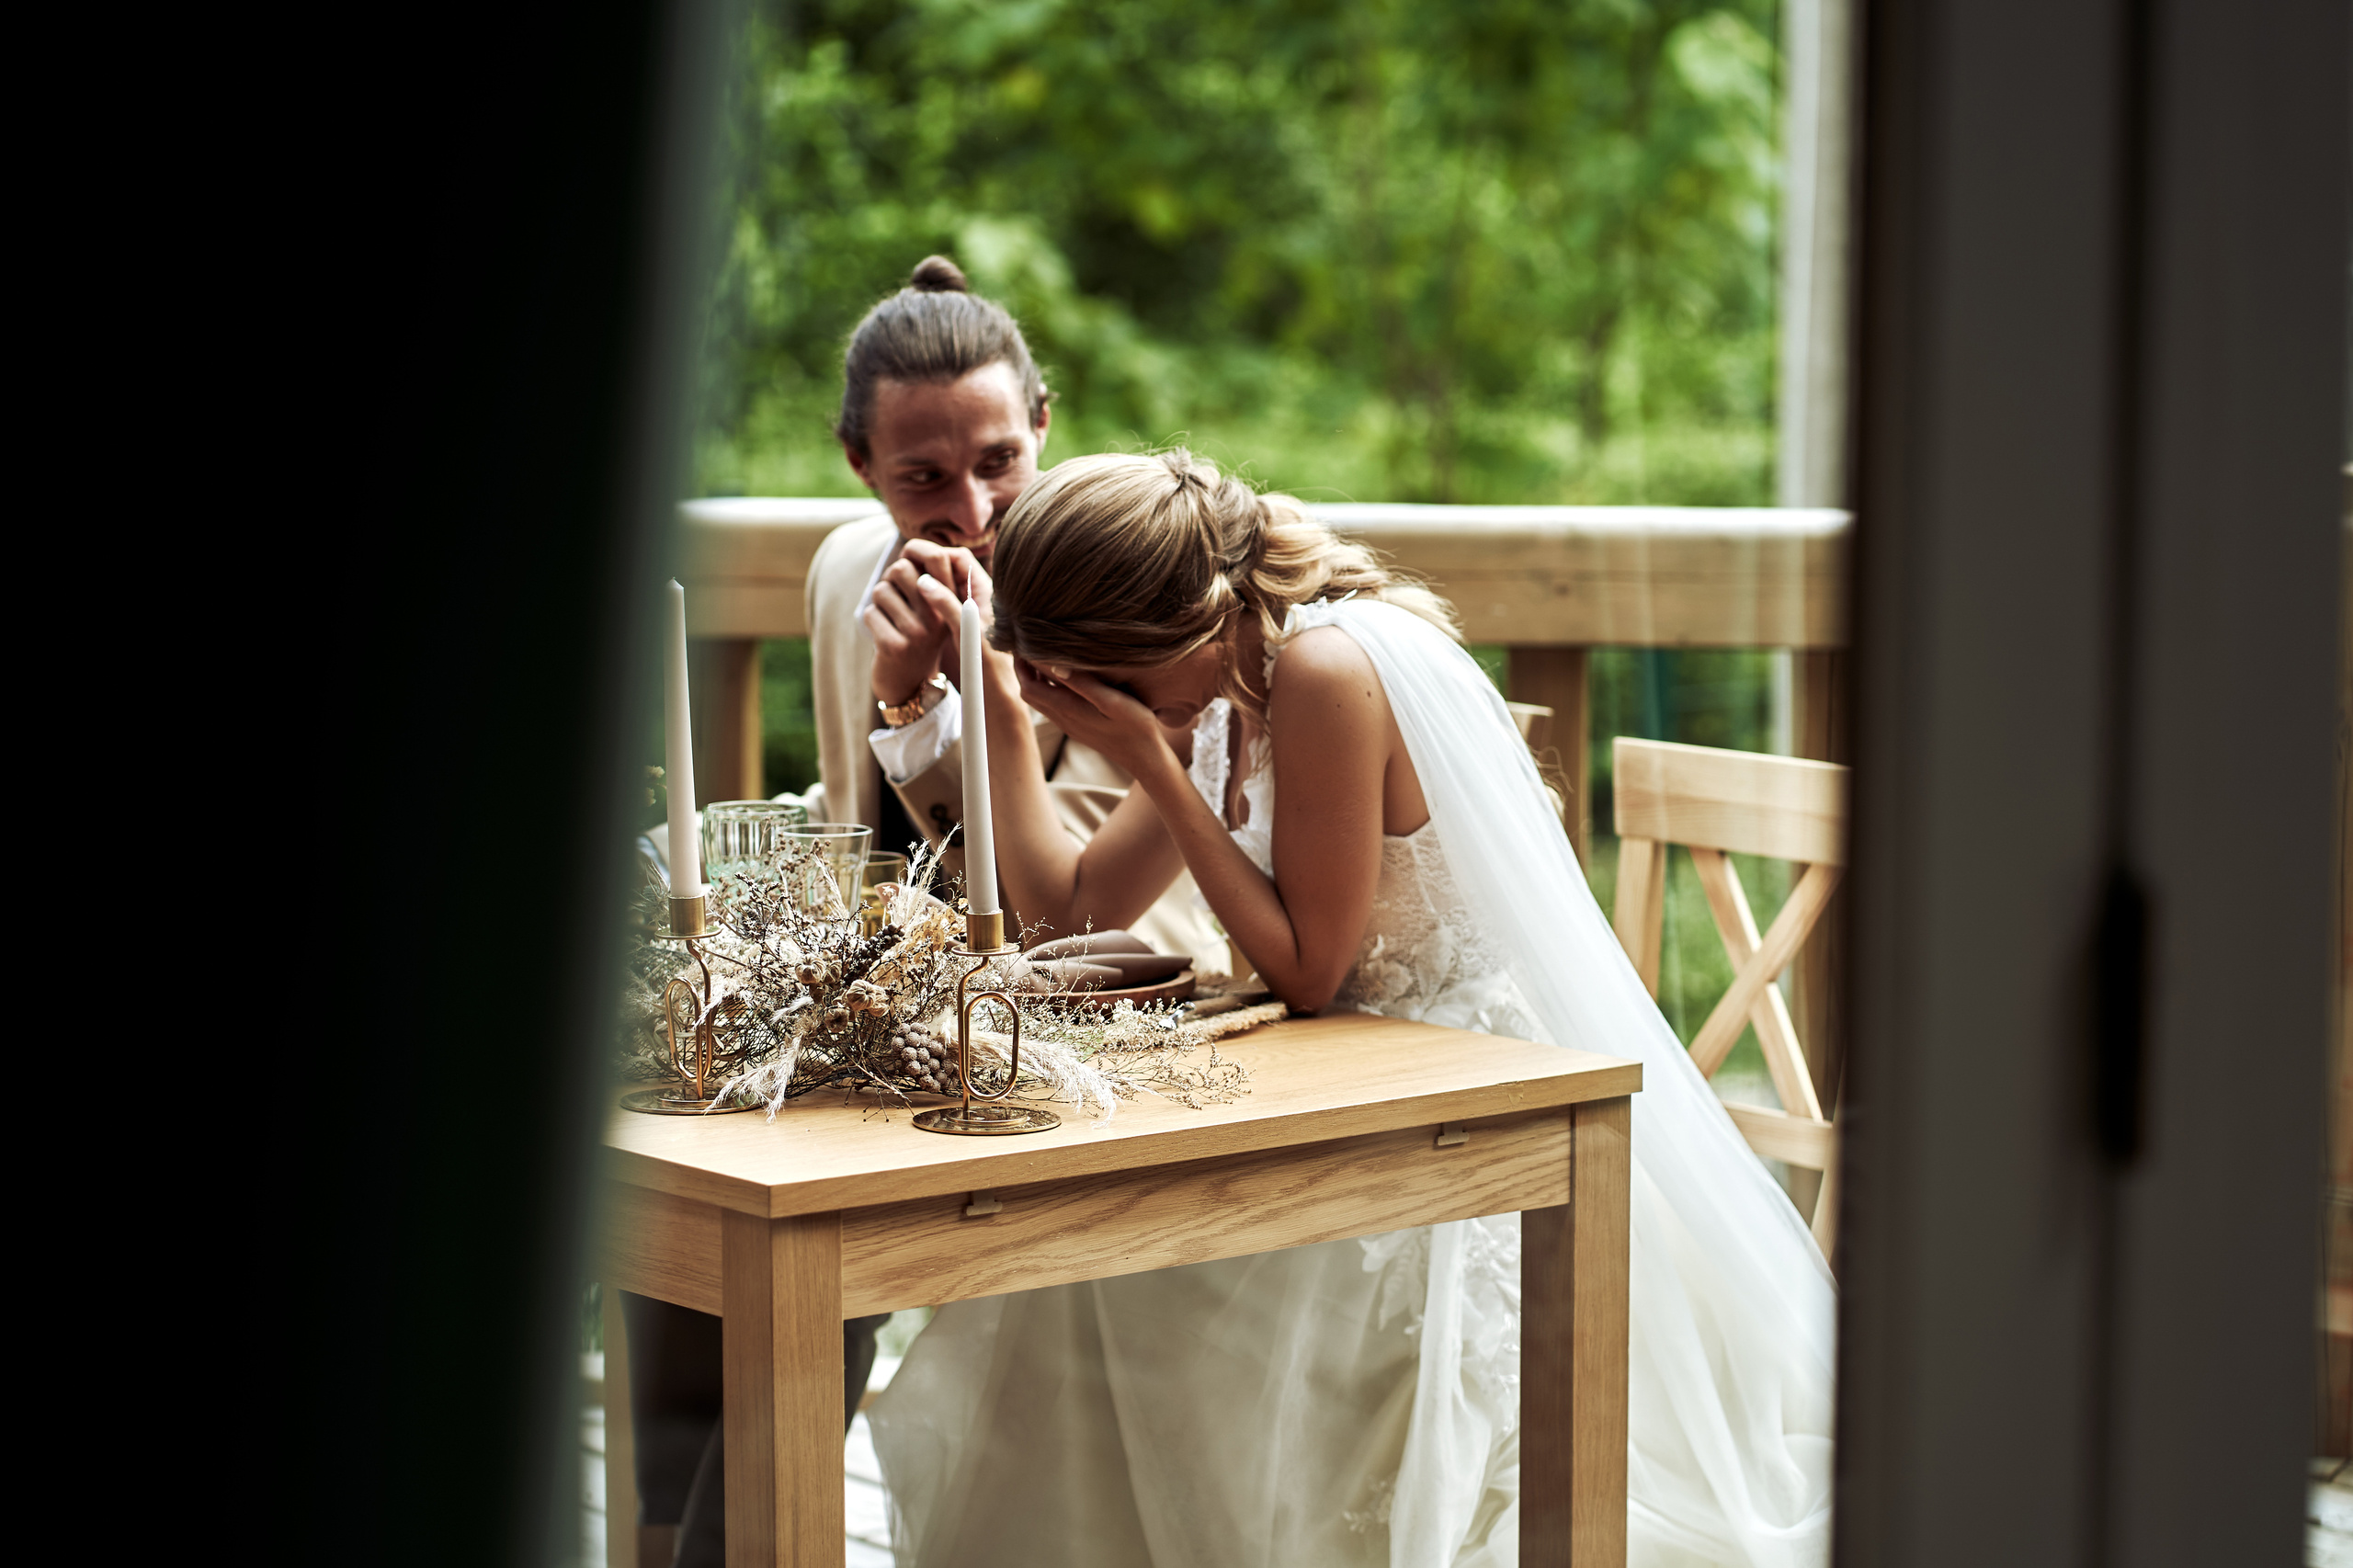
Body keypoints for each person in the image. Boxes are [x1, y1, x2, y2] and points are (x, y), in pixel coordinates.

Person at [868, 450, 1836, 1568]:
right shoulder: (1229, 677)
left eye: (1110, 685)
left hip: (1466, 1108)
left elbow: (1310, 973)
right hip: (1339, 1082)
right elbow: (1072, 901)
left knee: (1113, 1285)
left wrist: (1156, 759)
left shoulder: (1324, 668)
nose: (1105, 715)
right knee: (1075, 1272)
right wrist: (979, 710)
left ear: (1180, 621)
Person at [803, 254, 1221, 961]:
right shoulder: (845, 569)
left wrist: (917, 709)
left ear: (1042, 425)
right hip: (885, 1008)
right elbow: (849, 801)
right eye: (925, 476)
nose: (971, 513)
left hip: (1119, 995)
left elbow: (1065, 912)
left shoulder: (1115, 589)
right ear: (860, 463)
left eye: (998, 463)